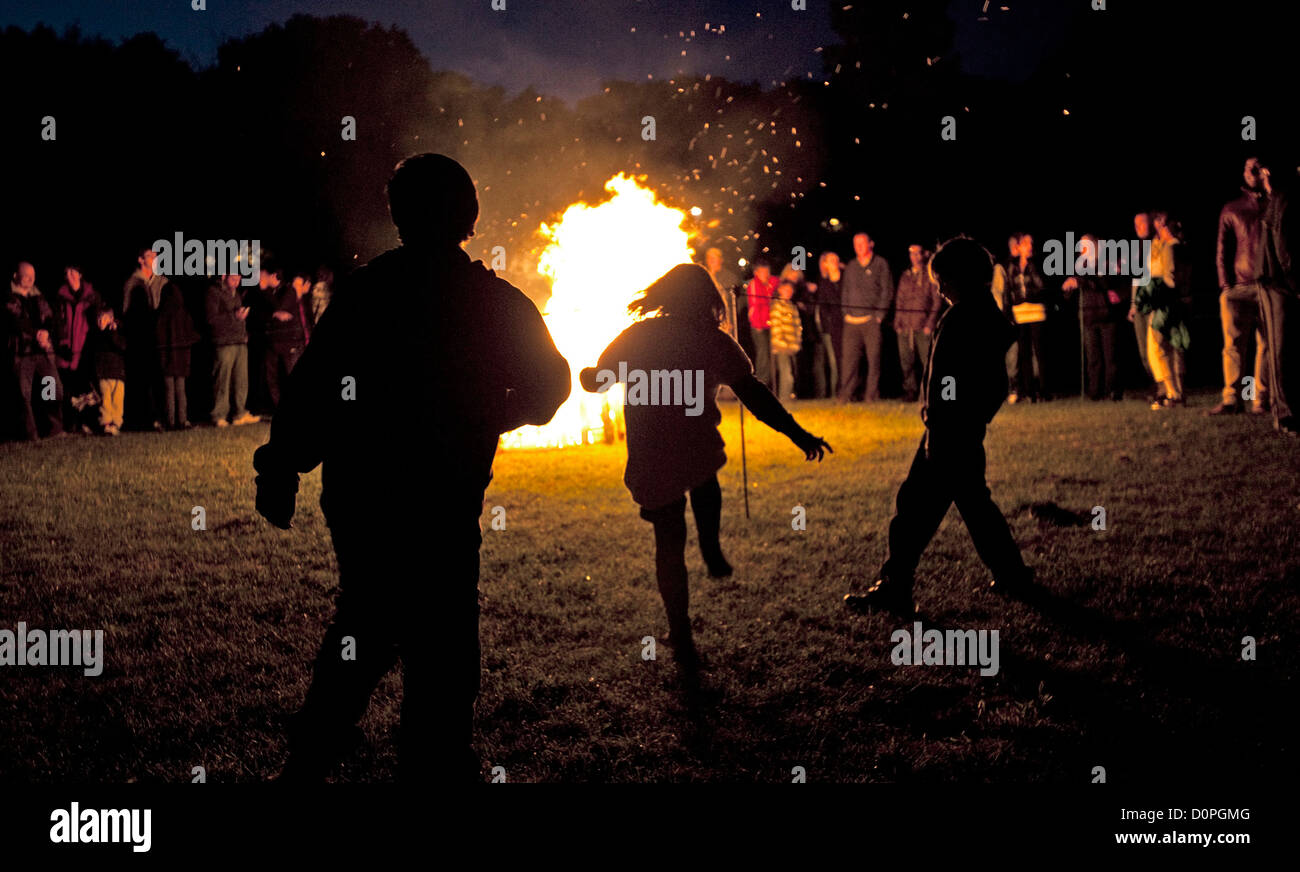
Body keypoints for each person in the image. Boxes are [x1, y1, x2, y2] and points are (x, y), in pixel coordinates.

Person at [253, 153, 571, 782]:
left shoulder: (368, 291)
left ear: (399, 215)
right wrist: (492, 416)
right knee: (443, 635)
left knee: (366, 620)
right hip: (443, 499)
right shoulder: (496, 302)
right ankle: (435, 758)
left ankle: (315, 755)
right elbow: (549, 388)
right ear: (469, 216)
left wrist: (284, 467)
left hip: (363, 495)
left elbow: (314, 385)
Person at [578, 263, 830, 669]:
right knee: (705, 479)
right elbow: (753, 392)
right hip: (694, 447)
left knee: (669, 540)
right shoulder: (712, 340)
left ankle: (679, 628)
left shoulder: (636, 336)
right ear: (707, 299)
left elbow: (599, 381)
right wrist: (798, 434)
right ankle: (711, 547)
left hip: (653, 451)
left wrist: (588, 375)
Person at [844, 237, 1033, 617]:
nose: (939, 288)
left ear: (959, 278)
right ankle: (1012, 575)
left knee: (915, 509)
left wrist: (939, 419)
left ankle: (896, 585)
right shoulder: (985, 314)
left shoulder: (961, 319)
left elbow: (946, 379)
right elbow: (990, 383)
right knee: (975, 507)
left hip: (948, 435)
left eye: (943, 280)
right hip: (962, 431)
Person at [1210, 157, 1271, 415]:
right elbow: (1222, 249)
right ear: (1243, 173)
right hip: (1239, 288)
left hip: (1269, 286)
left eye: (1259, 166)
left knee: (1267, 344)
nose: (1254, 172)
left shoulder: (1276, 204)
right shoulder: (1232, 208)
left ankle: (1262, 399)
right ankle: (1232, 398)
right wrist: (1225, 285)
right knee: (1233, 344)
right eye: (1249, 168)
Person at [1136, 214, 1190, 410]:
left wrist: (1155, 292)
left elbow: (1170, 277)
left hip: (1165, 304)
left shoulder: (1170, 247)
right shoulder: (1171, 246)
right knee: (1174, 347)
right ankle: (1178, 393)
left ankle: (1172, 392)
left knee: (1158, 347)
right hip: (1172, 303)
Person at [1259, 159, 1297, 436]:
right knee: (1281, 348)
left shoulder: (1279, 199)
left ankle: (1286, 409)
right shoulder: (1282, 201)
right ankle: (1284, 412)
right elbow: (1284, 250)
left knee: (1284, 348)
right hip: (1277, 285)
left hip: (1279, 282)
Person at [5, 262, 64, 440]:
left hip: (42, 352)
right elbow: (16, 321)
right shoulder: (9, 298)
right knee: (24, 395)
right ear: (16, 276)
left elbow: (50, 317)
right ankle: (31, 435)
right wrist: (36, 334)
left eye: (33, 275)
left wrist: (46, 332)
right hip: (22, 353)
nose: (31, 279)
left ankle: (54, 429)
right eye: (26, 275)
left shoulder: (38, 296)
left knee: (52, 388)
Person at [1063, 234, 1124, 401]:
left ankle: (1112, 390)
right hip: (1087, 315)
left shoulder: (1106, 262)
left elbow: (1105, 284)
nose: (1082, 248)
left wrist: (1081, 282)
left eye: (1086, 244)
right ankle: (1094, 392)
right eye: (1081, 245)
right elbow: (1076, 288)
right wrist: (1068, 288)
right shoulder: (1079, 266)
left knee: (1110, 356)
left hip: (1106, 314)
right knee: (1093, 357)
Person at [838, 232, 893, 403]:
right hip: (852, 321)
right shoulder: (851, 266)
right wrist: (846, 312)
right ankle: (846, 394)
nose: (858, 247)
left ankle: (871, 395)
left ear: (871, 244)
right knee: (849, 360)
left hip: (871, 320)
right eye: (856, 244)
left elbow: (887, 290)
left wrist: (879, 315)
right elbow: (845, 291)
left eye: (862, 243)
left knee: (874, 359)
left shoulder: (880, 264)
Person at [53, 264, 102, 432]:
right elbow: (57, 323)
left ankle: (88, 423)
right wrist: (62, 343)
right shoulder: (60, 296)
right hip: (66, 351)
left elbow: (98, 320)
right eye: (68, 273)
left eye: (74, 272)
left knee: (87, 390)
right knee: (67, 390)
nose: (71, 275)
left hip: (86, 349)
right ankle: (70, 424)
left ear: (80, 274)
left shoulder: (92, 296)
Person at [206, 273, 259, 427]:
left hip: (239, 341)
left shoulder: (236, 294)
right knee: (223, 380)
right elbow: (211, 318)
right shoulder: (213, 292)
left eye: (239, 279)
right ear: (224, 276)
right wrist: (234, 316)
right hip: (224, 342)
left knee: (241, 380)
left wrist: (243, 332)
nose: (237, 282)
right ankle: (219, 415)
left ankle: (239, 413)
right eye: (233, 278)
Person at [122, 248, 166, 431]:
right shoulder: (133, 283)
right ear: (141, 260)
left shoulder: (160, 281)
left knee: (155, 379)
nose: (154, 259)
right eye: (150, 256)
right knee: (140, 379)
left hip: (156, 337)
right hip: (139, 338)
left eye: (156, 256)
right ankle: (141, 420)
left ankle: (156, 417)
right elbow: (126, 312)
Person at [894, 244, 943, 403]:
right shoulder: (906, 276)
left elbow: (936, 302)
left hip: (923, 326)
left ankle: (931, 392)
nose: (914, 257)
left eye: (917, 253)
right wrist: (898, 321)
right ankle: (910, 391)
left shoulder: (930, 275)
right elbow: (899, 300)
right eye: (911, 253)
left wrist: (930, 323)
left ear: (923, 254)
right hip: (905, 326)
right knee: (906, 361)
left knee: (927, 360)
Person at [262, 272, 312, 413]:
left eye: (298, 285)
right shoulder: (287, 295)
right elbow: (279, 311)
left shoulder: (301, 300)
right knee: (278, 377)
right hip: (283, 342)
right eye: (294, 284)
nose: (295, 288)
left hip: (296, 342)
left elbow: (305, 322)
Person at [1126, 213, 1160, 402]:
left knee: (1155, 347)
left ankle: (1163, 385)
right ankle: (1154, 385)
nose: (1137, 227)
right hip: (1139, 305)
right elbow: (1136, 280)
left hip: (1152, 304)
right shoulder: (1138, 249)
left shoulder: (1157, 246)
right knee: (1143, 350)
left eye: (1142, 223)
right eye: (1135, 224)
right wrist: (1132, 304)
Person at [156, 282, 199, 430]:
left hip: (167, 358)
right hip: (182, 359)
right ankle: (182, 420)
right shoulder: (184, 314)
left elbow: (158, 337)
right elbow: (192, 335)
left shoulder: (161, 314)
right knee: (181, 390)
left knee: (169, 390)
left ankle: (171, 421)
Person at [88, 307, 127, 436]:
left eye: (104, 319)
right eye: (98, 319)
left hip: (117, 373)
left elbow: (122, 346)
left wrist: (114, 332)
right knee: (105, 400)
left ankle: (116, 424)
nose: (100, 322)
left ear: (110, 319)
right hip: (103, 373)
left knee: (117, 400)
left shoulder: (117, 332)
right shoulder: (94, 335)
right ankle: (106, 424)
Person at [993, 235, 1020, 403]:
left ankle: (1017, 388)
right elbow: (999, 294)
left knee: (1016, 356)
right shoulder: (1002, 267)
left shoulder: (1023, 265)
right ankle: (1006, 389)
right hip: (1005, 318)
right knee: (1007, 356)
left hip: (1019, 317)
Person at [744, 260, 778, 389]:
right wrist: (756, 324)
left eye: (767, 271)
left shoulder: (773, 282)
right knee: (763, 355)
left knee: (772, 356)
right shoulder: (754, 285)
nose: (765, 274)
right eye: (762, 272)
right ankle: (762, 385)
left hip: (772, 325)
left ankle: (772, 385)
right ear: (756, 273)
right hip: (759, 326)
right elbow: (754, 305)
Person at [815, 252, 843, 398]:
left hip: (847, 325)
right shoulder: (824, 284)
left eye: (835, 259)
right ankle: (836, 393)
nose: (834, 262)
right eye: (830, 260)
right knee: (834, 361)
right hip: (831, 329)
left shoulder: (845, 279)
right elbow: (823, 308)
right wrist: (828, 327)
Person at [770, 280, 802, 400]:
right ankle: (784, 399)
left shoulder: (792, 307)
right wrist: (782, 344)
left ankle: (789, 397)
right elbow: (776, 327)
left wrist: (797, 343)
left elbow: (798, 327)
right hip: (782, 347)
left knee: (793, 373)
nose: (788, 292)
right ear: (780, 290)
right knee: (786, 374)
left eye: (790, 290)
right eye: (786, 290)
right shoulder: (777, 306)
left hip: (793, 346)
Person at [704, 247, 740, 340]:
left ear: (721, 260)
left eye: (714, 258)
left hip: (725, 322)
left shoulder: (730, 278)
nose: (711, 260)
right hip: (708, 322)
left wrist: (730, 320)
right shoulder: (703, 276)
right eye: (709, 257)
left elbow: (735, 302)